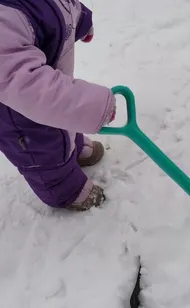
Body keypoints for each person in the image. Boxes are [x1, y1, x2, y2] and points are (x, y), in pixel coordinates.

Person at [0, 0, 116, 211]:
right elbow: (27, 85)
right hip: (18, 115)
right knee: (44, 153)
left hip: (51, 91)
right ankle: (66, 191)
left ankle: (73, 147)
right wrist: (94, 106)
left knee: (63, 118)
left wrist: (80, 19)